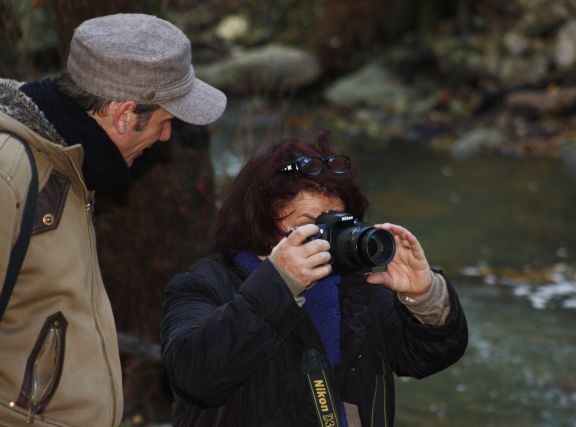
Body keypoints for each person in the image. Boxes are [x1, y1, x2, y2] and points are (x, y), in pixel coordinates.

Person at [0, 13, 226, 426]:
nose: (165, 137)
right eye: (164, 121)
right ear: (124, 114)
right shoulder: (11, 172)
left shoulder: (69, 165)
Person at [160, 134, 468, 426]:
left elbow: (424, 359)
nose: (329, 237)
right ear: (261, 220)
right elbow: (194, 377)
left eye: (338, 222)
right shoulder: (203, 284)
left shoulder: (359, 286)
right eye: (312, 225)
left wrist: (424, 296)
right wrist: (279, 285)